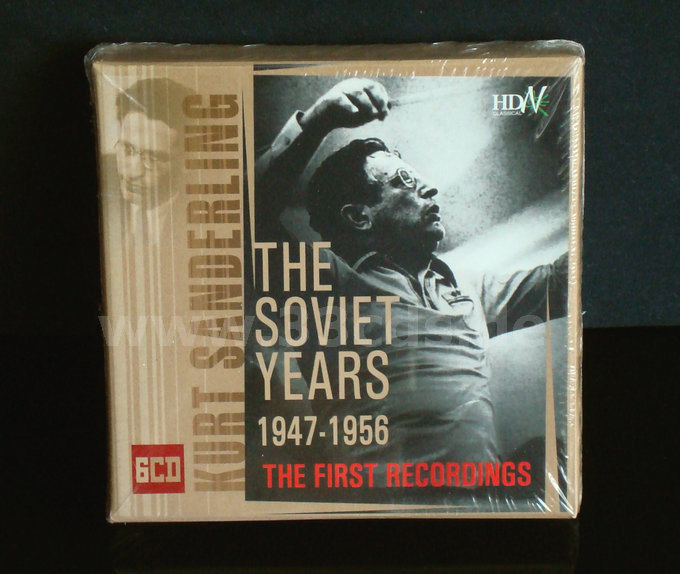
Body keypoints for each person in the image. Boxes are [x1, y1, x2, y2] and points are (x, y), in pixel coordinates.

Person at [252, 78, 567, 476]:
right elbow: (244, 215)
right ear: (359, 217)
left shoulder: (466, 287)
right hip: (384, 507)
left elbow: (566, 282)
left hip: (477, 503)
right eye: (404, 182)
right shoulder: (324, 284)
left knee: (551, 456)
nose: (430, 189)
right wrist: (317, 121)